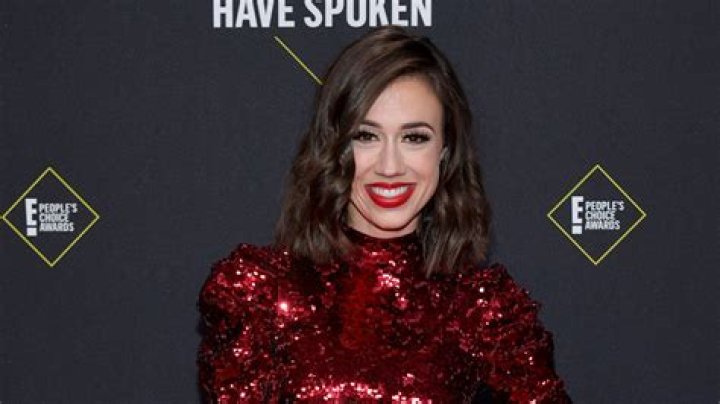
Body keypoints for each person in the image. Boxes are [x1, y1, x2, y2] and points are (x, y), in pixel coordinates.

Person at [197, 26, 572, 403]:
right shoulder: (264, 296)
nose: (390, 166)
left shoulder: (482, 309)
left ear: (444, 151)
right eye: (366, 136)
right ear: (334, 147)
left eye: (414, 137)